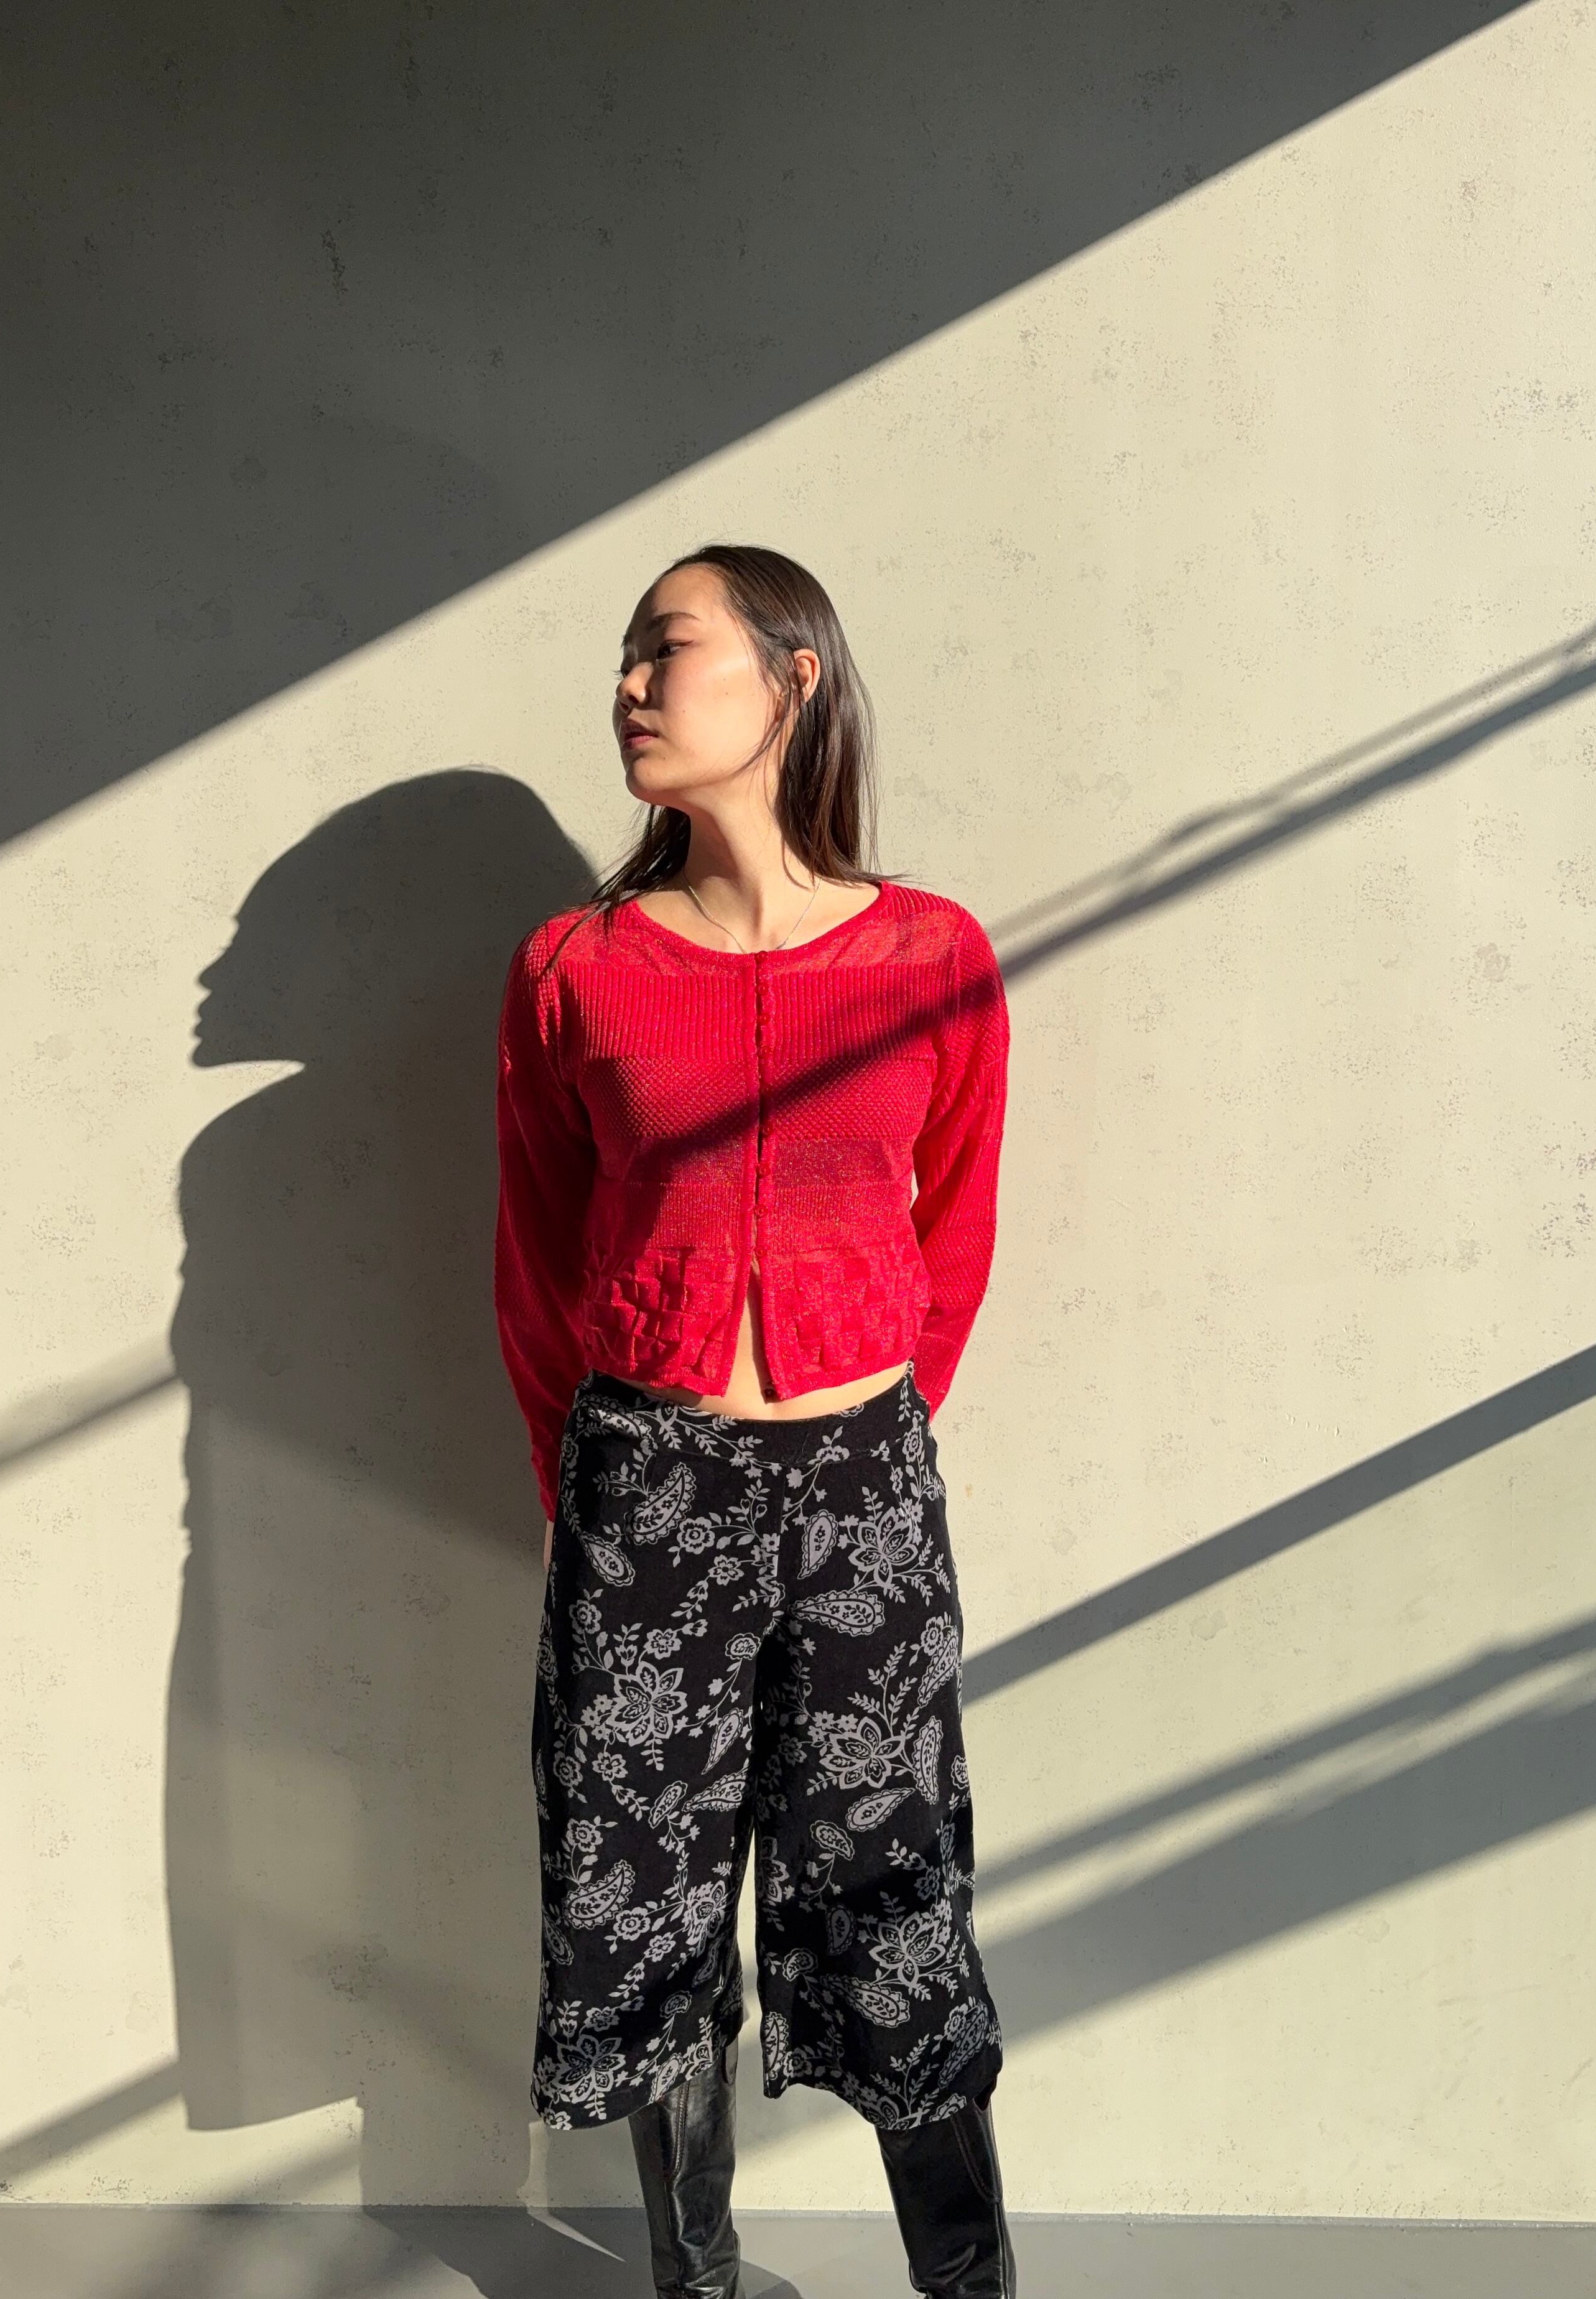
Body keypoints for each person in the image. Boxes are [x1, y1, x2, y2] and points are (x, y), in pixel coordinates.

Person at [494, 543, 1016, 2298]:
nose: (630, 687)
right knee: (640, 1900)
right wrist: (594, 1496)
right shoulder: (574, 968)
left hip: (863, 1490)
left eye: (669, 649)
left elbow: (954, 1233)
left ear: (795, 677)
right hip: (643, 1487)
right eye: (626, 658)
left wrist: (870, 1439)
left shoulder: (931, 955)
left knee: (894, 1895)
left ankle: (968, 2284)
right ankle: (694, 2282)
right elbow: (534, 1266)